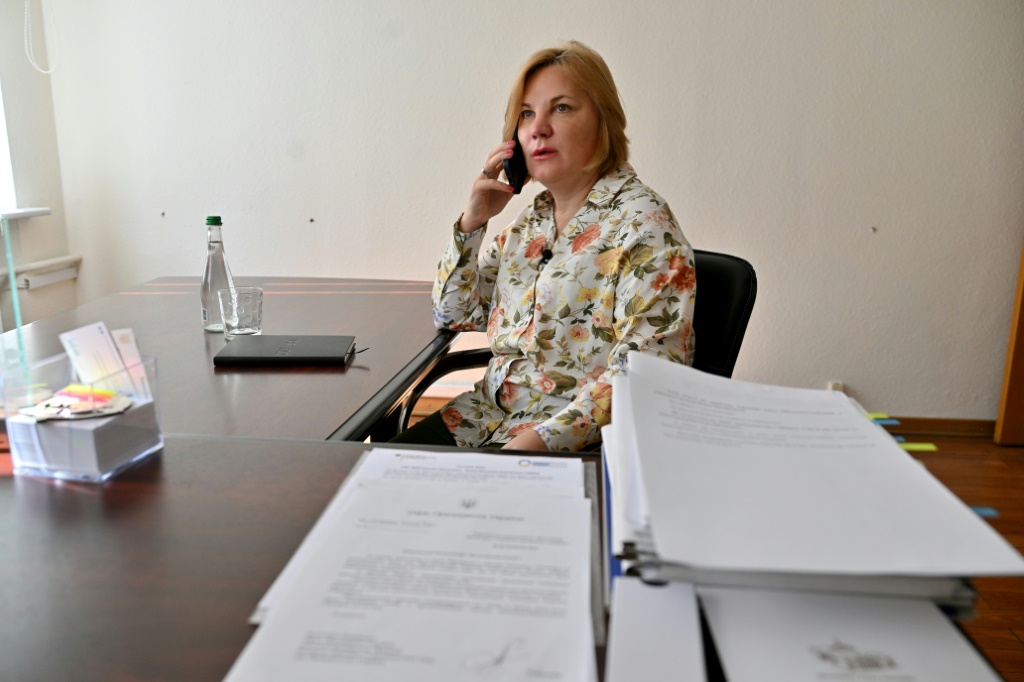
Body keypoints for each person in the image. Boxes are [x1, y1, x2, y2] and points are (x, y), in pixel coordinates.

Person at [393, 40, 696, 452]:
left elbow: (645, 374)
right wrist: (472, 224)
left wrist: (531, 446)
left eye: (562, 108)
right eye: (526, 114)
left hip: (569, 442)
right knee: (361, 471)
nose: (538, 128)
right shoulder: (532, 220)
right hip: (480, 419)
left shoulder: (645, 226)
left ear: (603, 120)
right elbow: (454, 314)